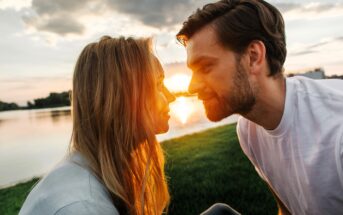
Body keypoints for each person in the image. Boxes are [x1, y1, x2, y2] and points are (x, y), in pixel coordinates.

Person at [176, 0, 343, 214]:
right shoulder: (248, 129)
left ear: (254, 56)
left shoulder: (336, 131)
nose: (192, 87)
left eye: (206, 67)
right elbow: (286, 209)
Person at [19, 36, 175, 215]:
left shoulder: (93, 172)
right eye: (158, 84)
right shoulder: (83, 206)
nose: (171, 96)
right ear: (121, 98)